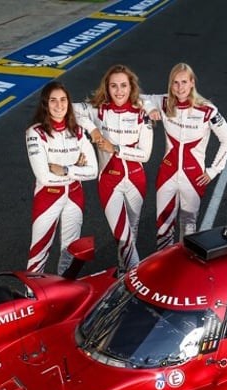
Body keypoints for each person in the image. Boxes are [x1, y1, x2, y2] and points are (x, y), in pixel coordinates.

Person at [144, 63, 227, 249]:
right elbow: (137, 96)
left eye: (184, 82)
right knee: (163, 226)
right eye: (175, 83)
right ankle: (164, 268)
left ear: (192, 82)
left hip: (194, 178)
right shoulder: (163, 102)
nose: (180, 87)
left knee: (189, 227)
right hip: (167, 174)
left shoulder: (208, 110)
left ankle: (183, 269)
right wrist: (149, 108)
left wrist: (214, 170)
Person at [74, 65, 154, 272]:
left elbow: (145, 155)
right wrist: (92, 129)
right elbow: (70, 110)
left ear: (131, 87)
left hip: (136, 181)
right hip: (109, 182)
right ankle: (136, 275)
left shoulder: (141, 113)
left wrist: (115, 148)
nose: (119, 91)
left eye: (123, 86)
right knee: (122, 233)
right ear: (107, 88)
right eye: (114, 86)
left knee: (131, 232)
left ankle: (122, 270)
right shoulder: (98, 110)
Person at [25, 80, 98, 274]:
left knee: (71, 251)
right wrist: (76, 170)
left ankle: (65, 295)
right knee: (39, 253)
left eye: (63, 100)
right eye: (53, 101)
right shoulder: (35, 133)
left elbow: (93, 171)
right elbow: (45, 177)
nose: (59, 105)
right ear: (45, 104)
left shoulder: (78, 131)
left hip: (74, 196)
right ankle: (32, 295)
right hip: (48, 197)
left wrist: (66, 169)